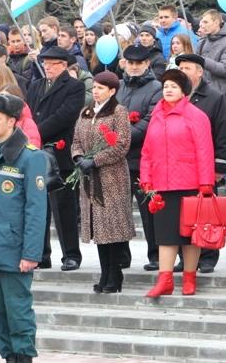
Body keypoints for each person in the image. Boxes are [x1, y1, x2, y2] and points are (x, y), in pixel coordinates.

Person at [0, 93, 47, 363]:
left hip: (14, 250)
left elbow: (36, 210)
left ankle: (23, 357)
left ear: (13, 121)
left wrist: (30, 253)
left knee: (18, 312)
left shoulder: (30, 157)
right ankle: (8, 357)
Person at [140, 69, 214, 298]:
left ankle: (190, 278)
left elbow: (204, 151)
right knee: (165, 235)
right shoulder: (156, 116)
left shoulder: (196, 116)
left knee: (190, 236)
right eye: (165, 86)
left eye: (173, 86)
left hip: (190, 183)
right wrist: (146, 178)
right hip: (162, 184)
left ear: (184, 91)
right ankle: (165, 279)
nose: (168, 90)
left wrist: (206, 182)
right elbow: (147, 151)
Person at [71, 71, 134, 293]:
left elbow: (122, 144)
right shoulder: (86, 111)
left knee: (111, 228)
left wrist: (96, 160)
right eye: (95, 87)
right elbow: (77, 139)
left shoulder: (118, 111)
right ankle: (104, 271)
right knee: (98, 229)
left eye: (100, 88)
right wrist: (79, 156)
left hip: (111, 177)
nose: (95, 91)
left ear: (112, 90)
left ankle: (114, 274)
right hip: (90, 178)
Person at [26, 46, 85, 270]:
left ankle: (71, 254)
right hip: (36, 152)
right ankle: (41, 254)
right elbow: (28, 113)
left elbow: (65, 116)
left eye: (51, 64)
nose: (47, 67)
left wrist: (35, 132)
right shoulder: (35, 86)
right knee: (38, 206)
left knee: (64, 208)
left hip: (60, 153)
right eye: (45, 63)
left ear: (62, 65)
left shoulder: (74, 87)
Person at [176, 53, 226, 269]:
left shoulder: (214, 97)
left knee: (205, 212)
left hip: (205, 166)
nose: (182, 72)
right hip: (180, 168)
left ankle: (208, 256)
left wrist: (219, 166)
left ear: (199, 71)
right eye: (179, 68)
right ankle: (186, 257)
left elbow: (223, 134)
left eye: (187, 68)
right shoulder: (174, 97)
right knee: (183, 214)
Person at [117, 44, 162, 271]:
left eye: (139, 64)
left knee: (148, 211)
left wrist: (120, 137)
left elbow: (149, 122)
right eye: (130, 63)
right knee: (120, 210)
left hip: (142, 159)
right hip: (117, 160)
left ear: (147, 64)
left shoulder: (156, 88)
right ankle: (121, 255)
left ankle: (155, 254)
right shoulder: (118, 86)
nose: (134, 67)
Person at [196, 9, 226, 106]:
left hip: (219, 98)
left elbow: (225, 70)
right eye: (201, 22)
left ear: (216, 23)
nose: (202, 25)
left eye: (206, 22)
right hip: (201, 94)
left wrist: (203, 61)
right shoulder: (201, 43)